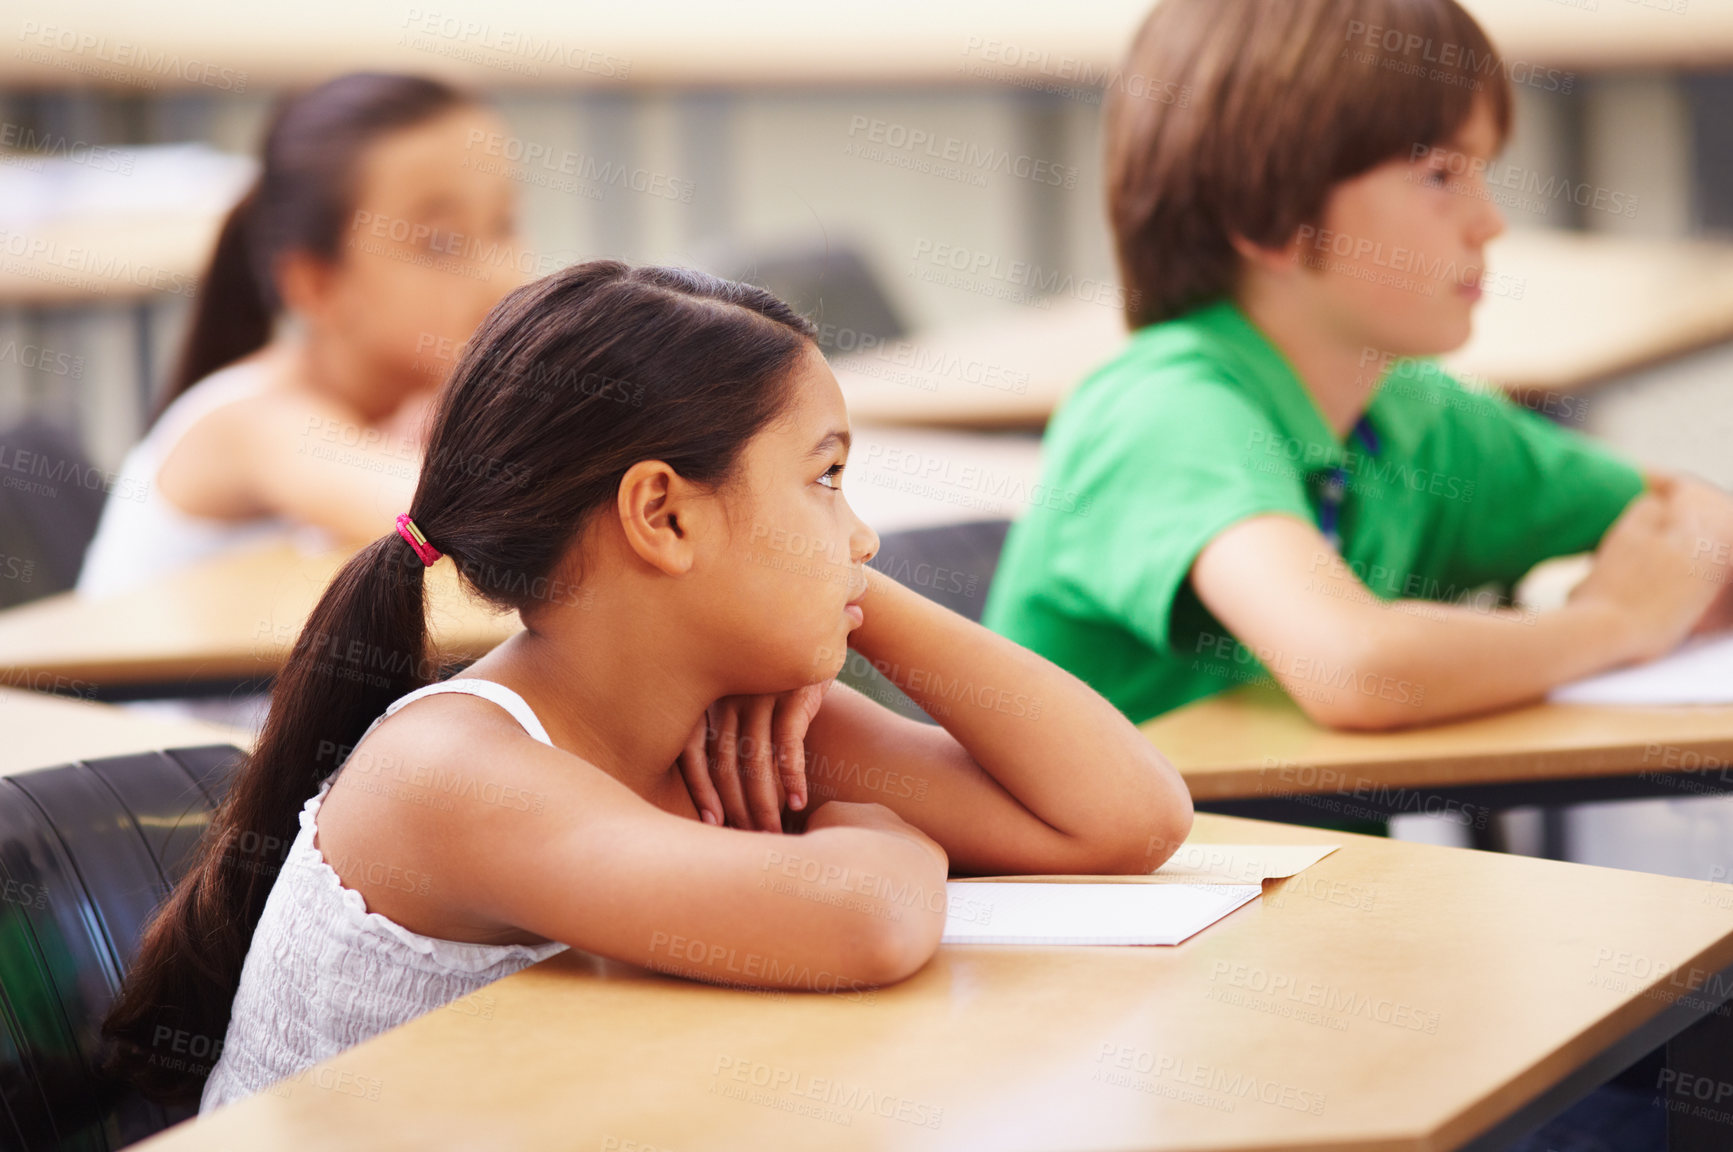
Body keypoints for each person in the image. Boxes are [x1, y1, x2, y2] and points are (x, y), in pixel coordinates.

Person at [102, 261, 1195, 1111]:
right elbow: (866, 921)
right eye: (823, 479)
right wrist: (870, 826)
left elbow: (1128, 818)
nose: (857, 530)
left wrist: (856, 586)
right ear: (663, 516)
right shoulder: (452, 771)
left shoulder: (735, 718)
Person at [983, 0, 1733, 732]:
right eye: (1440, 176)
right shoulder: (1166, 412)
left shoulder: (1408, 415)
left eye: (1482, 170)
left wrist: (1698, 538)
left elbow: (1679, 510)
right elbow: (1356, 670)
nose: (1489, 220)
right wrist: (1617, 621)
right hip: (1129, 863)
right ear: (1268, 215)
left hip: (1309, 858)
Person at [77, 72, 524, 598]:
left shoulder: (397, 410)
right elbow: (465, 518)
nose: (501, 273)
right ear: (315, 285)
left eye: (503, 223)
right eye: (442, 243)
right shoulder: (254, 421)